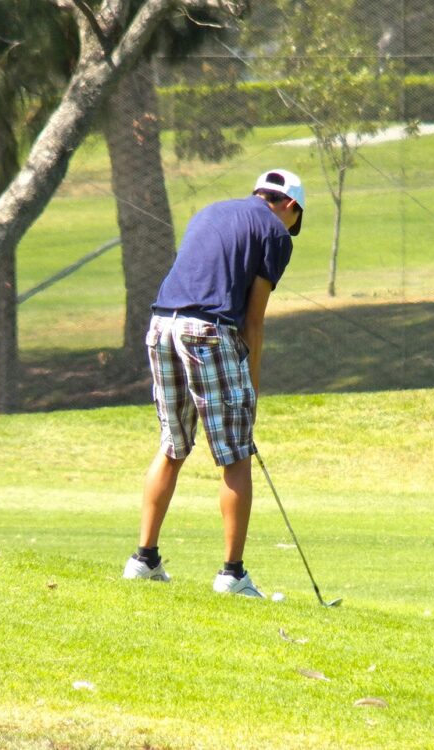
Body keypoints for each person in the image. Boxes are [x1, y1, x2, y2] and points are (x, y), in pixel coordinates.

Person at [122, 169, 305, 598]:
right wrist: (253, 387)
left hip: (161, 327)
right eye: (296, 222)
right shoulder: (276, 234)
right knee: (237, 454)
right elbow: (253, 320)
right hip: (206, 332)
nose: (292, 230)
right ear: (291, 207)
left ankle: (143, 560)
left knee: (172, 444)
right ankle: (232, 575)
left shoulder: (210, 212)